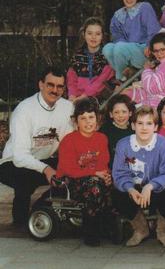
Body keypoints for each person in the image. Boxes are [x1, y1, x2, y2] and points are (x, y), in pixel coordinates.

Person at [0, 66, 74, 226]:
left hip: (45, 159)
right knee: (24, 179)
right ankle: (20, 222)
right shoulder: (24, 110)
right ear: (41, 84)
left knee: (75, 171)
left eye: (60, 86)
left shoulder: (68, 108)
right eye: (50, 85)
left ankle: (40, 210)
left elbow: (69, 143)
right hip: (13, 163)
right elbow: (20, 157)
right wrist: (46, 170)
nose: (55, 90)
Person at [112, 106, 165, 248]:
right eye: (140, 123)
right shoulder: (123, 145)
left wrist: (150, 186)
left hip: (156, 190)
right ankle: (140, 229)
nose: (144, 128)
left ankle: (162, 231)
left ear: (155, 127)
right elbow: (119, 173)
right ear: (133, 125)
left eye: (149, 123)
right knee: (117, 192)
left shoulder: (163, 144)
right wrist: (130, 189)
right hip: (135, 191)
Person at [55, 97, 112, 246]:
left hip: (94, 178)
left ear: (97, 119)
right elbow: (69, 169)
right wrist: (95, 173)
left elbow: (103, 162)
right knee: (94, 186)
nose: (88, 122)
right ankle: (91, 230)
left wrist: (106, 175)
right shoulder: (69, 140)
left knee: (110, 184)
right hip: (70, 180)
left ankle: (110, 223)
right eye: (83, 118)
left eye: (91, 117)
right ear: (76, 122)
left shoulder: (102, 138)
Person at [103, 0, 161, 81]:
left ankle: (121, 80)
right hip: (125, 50)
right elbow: (117, 37)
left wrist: (150, 44)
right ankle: (127, 76)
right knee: (107, 49)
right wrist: (123, 48)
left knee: (120, 47)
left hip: (145, 51)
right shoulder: (117, 15)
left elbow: (154, 29)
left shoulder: (144, 7)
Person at [127, 32, 165, 113]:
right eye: (156, 51)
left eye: (163, 50)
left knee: (128, 112)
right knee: (127, 99)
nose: (159, 54)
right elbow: (153, 89)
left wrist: (147, 70)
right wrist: (131, 94)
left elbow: (150, 88)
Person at [66, 17, 114, 102]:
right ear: (84, 34)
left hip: (98, 100)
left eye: (98, 34)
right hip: (76, 99)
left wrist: (83, 97)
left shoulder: (107, 57)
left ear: (102, 36)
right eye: (89, 33)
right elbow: (71, 81)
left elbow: (100, 83)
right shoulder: (77, 57)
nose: (93, 37)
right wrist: (72, 96)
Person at [99, 93, 135, 166]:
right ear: (111, 114)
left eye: (124, 112)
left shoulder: (135, 129)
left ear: (130, 113)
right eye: (116, 112)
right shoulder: (105, 130)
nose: (120, 115)